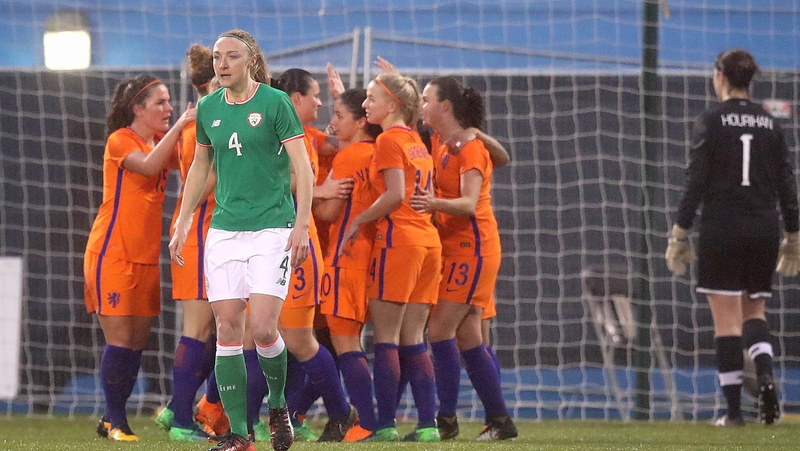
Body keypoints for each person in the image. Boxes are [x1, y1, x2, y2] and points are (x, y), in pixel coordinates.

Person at [169, 29, 313, 451]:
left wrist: (301, 225)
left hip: (272, 228)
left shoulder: (275, 103)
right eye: (217, 57)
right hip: (225, 231)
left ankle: (279, 406)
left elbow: (302, 168)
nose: (223, 64)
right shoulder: (209, 108)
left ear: (251, 61)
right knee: (227, 327)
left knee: (265, 328)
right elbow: (200, 167)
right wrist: (182, 221)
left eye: (232, 56)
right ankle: (237, 434)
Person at [665, 48, 800, 427]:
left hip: (722, 226)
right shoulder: (771, 124)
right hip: (762, 226)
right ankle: (767, 375)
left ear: (720, 77)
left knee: (726, 321)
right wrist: (793, 234)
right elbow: (788, 185)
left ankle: (735, 413)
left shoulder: (711, 120)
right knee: (754, 310)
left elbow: (696, 181)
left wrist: (679, 232)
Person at [84, 75, 195, 441]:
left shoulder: (160, 144)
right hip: (111, 253)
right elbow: (148, 166)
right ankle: (117, 421)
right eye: (161, 103)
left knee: (135, 344)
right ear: (138, 109)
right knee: (119, 341)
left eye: (169, 102)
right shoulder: (121, 141)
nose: (169, 108)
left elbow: (193, 161)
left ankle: (109, 417)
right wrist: (181, 125)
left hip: (146, 258)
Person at [411, 76, 518, 441]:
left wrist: (432, 203)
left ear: (445, 106)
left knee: (440, 330)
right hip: (457, 248)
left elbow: (470, 204)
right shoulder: (442, 139)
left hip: (474, 249)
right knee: (468, 336)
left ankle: (447, 421)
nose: (422, 105)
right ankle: (500, 421)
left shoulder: (469, 149)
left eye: (426, 99)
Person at [340, 73, 442, 442]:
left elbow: (396, 194)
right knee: (413, 339)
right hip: (429, 243)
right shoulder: (416, 139)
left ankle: (384, 426)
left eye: (370, 99)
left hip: (399, 242)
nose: (365, 105)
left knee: (385, 340)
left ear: (392, 105)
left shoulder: (387, 140)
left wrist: (358, 220)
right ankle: (428, 426)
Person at [271, 68, 360, 443]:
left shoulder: (300, 135)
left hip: (296, 245)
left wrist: (354, 107)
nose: (321, 104)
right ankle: (236, 420)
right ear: (295, 98)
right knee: (249, 334)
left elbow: (289, 175)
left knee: (299, 340)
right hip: (264, 242)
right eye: (317, 96)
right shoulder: (288, 130)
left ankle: (342, 413)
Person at [152, 43, 225, 442]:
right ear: (209, 84)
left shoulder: (207, 123)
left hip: (213, 231)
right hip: (199, 232)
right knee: (197, 330)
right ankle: (181, 419)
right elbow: (208, 179)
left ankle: (179, 409)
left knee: (218, 332)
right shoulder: (201, 127)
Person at [314, 87, 383, 441]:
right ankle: (367, 421)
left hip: (344, 256)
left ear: (361, 121)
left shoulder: (348, 156)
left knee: (343, 345)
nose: (333, 121)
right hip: (372, 257)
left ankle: (365, 424)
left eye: (340, 115)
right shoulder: (378, 152)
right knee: (343, 342)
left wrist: (310, 191)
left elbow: (328, 211)